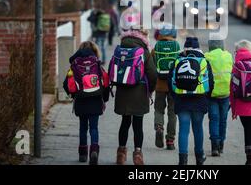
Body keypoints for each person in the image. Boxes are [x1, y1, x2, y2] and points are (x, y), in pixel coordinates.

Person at [111, 26, 157, 165]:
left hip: (123, 92)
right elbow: (153, 73)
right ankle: (137, 155)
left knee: (125, 123)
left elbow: (111, 70)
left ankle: (121, 154)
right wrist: (151, 90)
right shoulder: (143, 51)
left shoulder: (119, 49)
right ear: (143, 37)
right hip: (139, 92)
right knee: (138, 125)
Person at [63, 41, 110, 165]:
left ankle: (83, 154)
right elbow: (106, 83)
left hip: (81, 100)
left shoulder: (75, 64)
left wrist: (74, 95)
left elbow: (66, 85)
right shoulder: (97, 63)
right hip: (95, 100)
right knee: (94, 128)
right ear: (94, 51)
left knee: (83, 128)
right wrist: (104, 99)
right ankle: (94, 150)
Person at [169, 37, 214, 165]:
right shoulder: (204, 61)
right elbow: (211, 83)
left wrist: (176, 96)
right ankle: (199, 157)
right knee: (198, 128)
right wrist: (207, 98)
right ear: (198, 47)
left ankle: (182, 160)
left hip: (182, 100)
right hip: (199, 100)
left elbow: (170, 82)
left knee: (183, 129)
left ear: (185, 48)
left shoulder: (178, 60)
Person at [152, 24, 180, 150]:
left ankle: (159, 127)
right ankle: (170, 141)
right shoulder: (177, 47)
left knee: (159, 110)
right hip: (173, 86)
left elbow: (151, 68)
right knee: (172, 113)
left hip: (159, 85)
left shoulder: (156, 47)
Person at [204, 39, 233, 157]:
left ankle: (214, 146)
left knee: (214, 119)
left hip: (212, 94)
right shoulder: (228, 56)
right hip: (226, 93)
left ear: (210, 47)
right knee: (223, 120)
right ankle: (221, 144)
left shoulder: (206, 57)